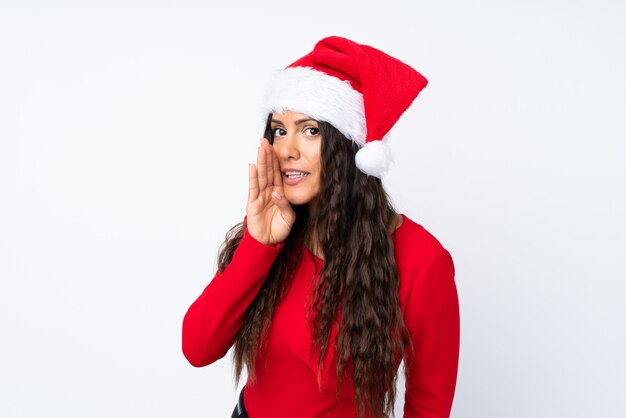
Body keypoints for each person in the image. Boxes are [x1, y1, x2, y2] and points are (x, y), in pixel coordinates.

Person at [182, 36, 460, 418]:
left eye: (310, 130)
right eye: (279, 129)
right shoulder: (270, 229)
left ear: (350, 146)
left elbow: (429, 404)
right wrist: (258, 246)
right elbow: (197, 348)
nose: (286, 149)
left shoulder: (421, 260)